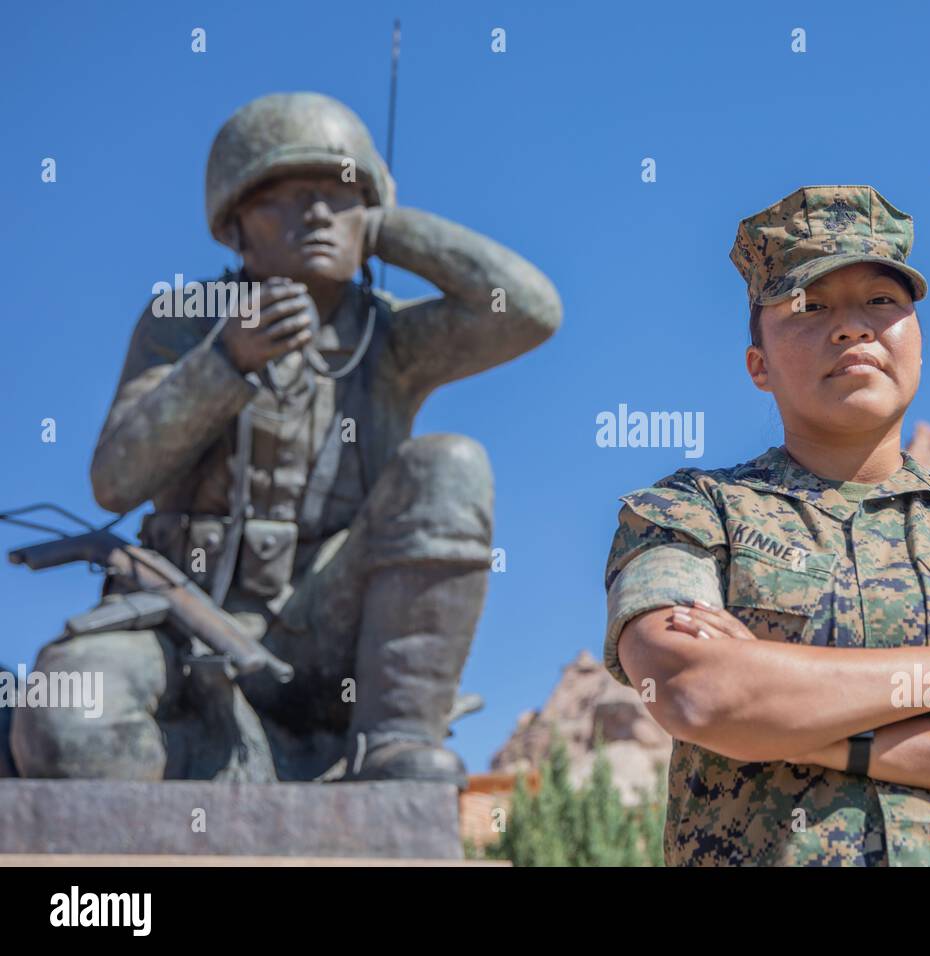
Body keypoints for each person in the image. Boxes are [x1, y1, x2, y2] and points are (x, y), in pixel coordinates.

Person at [12, 92, 562, 783]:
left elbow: (531, 311)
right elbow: (114, 481)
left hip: (328, 629)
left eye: (341, 194)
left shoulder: (388, 339)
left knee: (450, 462)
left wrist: (388, 225)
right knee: (70, 726)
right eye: (289, 195)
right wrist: (223, 363)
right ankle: (223, 771)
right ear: (237, 220)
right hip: (181, 622)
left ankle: (390, 743)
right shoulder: (184, 321)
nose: (319, 213)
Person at [602, 185, 930, 866]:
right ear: (758, 366)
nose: (852, 327)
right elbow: (700, 693)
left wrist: (797, 729)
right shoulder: (686, 514)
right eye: (810, 305)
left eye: (881, 302)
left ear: (918, 338)